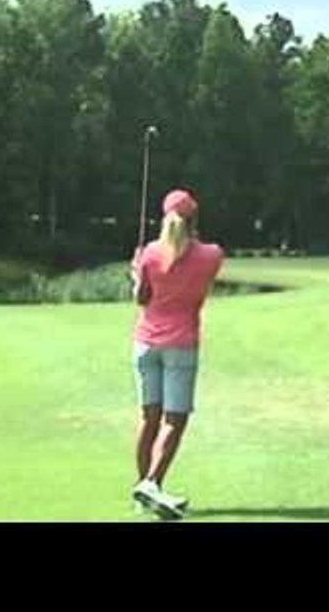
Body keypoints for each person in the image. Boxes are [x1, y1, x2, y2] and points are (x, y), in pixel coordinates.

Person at [128, 189, 224, 519]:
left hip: (145, 343)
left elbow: (141, 299)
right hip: (181, 345)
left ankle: (144, 491)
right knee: (175, 418)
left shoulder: (150, 253)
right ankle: (151, 483)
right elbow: (201, 281)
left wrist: (137, 273)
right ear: (195, 219)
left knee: (149, 418)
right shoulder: (212, 255)